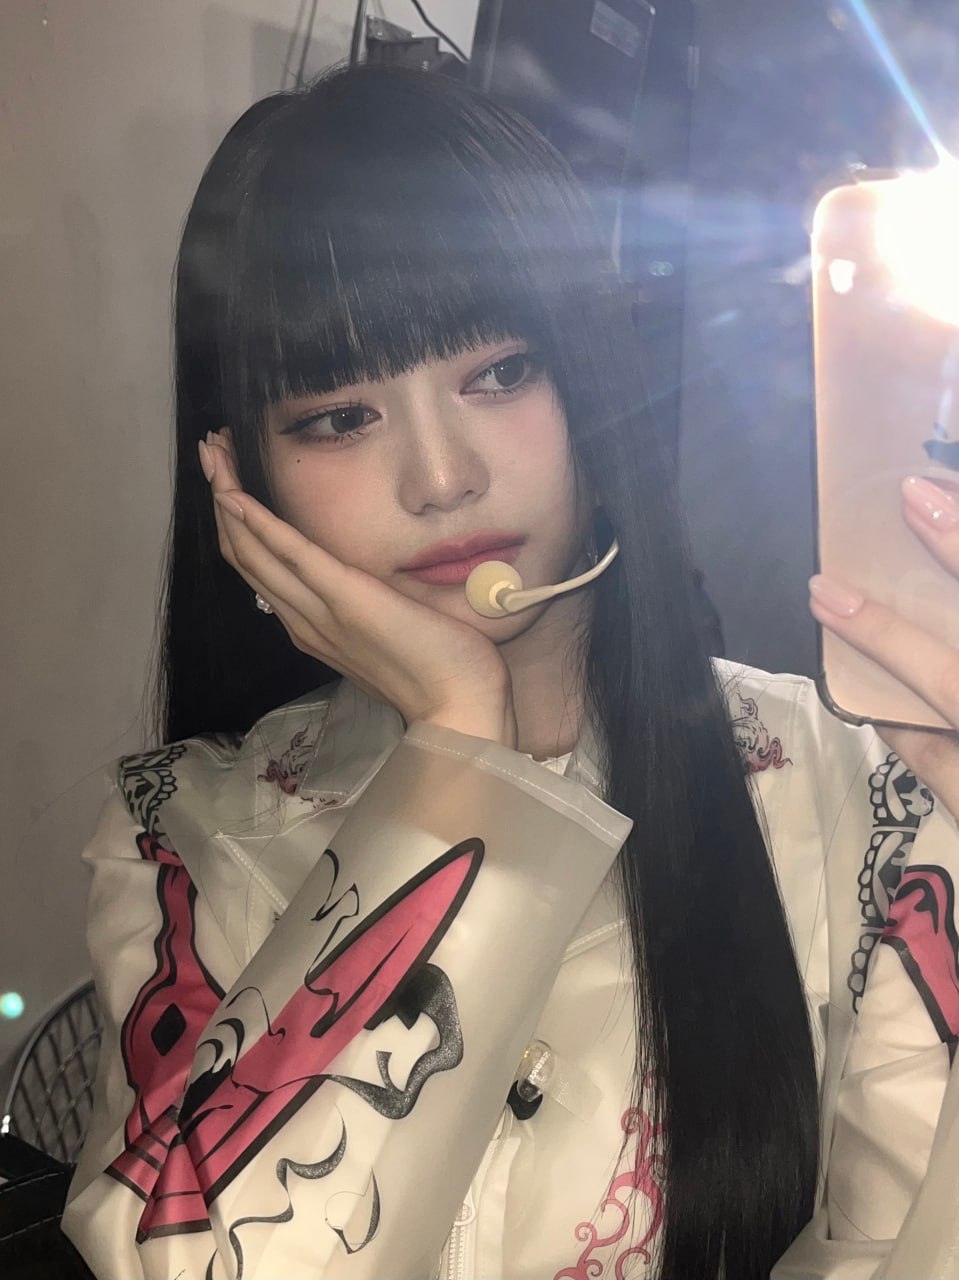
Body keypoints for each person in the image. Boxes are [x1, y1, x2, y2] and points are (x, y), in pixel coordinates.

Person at [56, 64, 959, 1280]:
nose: (442, 478)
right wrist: (458, 755)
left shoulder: (862, 791)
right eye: (338, 417)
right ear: (241, 478)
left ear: (592, 386)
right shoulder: (181, 831)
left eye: (499, 373)